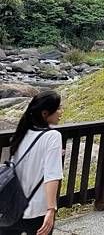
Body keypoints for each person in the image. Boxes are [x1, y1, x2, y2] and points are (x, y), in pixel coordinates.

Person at [3, 91, 63, 235]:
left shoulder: (22, 132)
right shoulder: (53, 136)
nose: (61, 112)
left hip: (10, 207)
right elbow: (52, 176)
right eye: (58, 108)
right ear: (45, 113)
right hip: (36, 211)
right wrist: (51, 209)